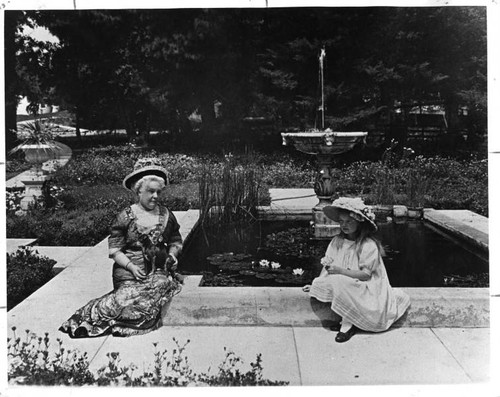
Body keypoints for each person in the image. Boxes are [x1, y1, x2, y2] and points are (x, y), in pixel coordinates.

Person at [59, 158, 183, 338]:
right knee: (124, 298)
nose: (155, 196)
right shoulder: (125, 216)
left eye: (158, 192)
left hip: (158, 273)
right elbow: (115, 250)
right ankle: (89, 320)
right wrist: (131, 267)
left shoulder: (166, 215)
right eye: (150, 191)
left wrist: (172, 255)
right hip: (128, 274)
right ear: (138, 191)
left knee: (161, 284)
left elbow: (175, 240)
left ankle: (126, 323)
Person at [303, 197, 410, 343]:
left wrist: (340, 271)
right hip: (345, 281)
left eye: (348, 221)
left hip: (366, 285)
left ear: (359, 223)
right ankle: (350, 318)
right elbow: (328, 265)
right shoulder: (337, 241)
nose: (344, 225)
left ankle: (347, 325)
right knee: (325, 283)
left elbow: (366, 275)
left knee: (339, 280)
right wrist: (318, 282)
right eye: (341, 221)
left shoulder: (368, 244)